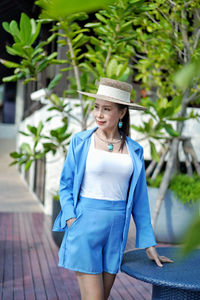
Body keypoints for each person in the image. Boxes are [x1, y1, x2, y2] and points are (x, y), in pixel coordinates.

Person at [53, 78, 173, 300]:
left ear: (122, 113)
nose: (99, 114)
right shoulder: (81, 142)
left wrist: (148, 244)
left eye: (106, 109)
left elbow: (140, 200)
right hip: (84, 225)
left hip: (117, 232)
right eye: (96, 107)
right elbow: (66, 185)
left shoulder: (134, 150)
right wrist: (71, 219)